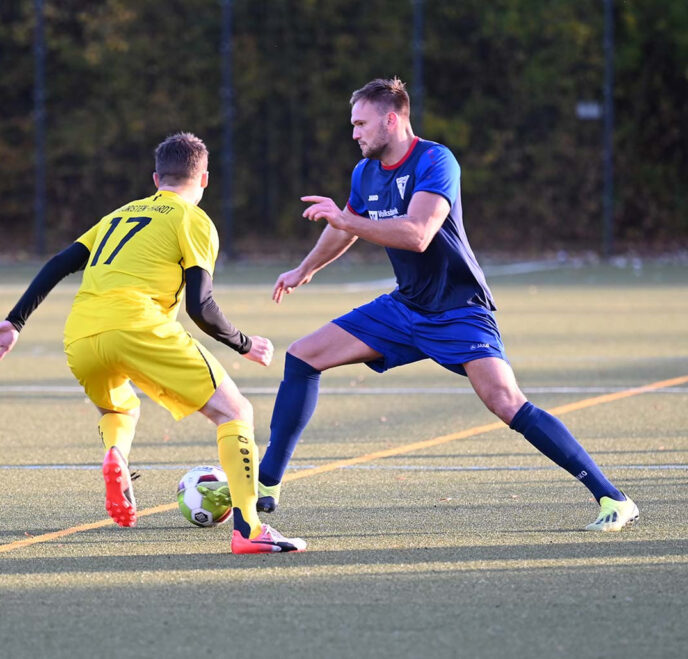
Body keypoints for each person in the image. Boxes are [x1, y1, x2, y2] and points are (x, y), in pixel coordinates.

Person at [255, 78, 638, 532]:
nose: (354, 133)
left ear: (391, 119)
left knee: (505, 401)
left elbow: (418, 235)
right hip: (405, 308)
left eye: (361, 123)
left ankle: (613, 499)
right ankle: (264, 489)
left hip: (458, 308)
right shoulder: (365, 172)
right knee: (302, 355)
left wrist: (346, 218)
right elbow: (345, 227)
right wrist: (306, 269)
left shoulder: (435, 160)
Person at [0, 132, 306, 554]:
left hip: (82, 333)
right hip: (138, 325)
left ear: (155, 178)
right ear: (204, 179)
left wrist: (15, 322)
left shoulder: (118, 214)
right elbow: (201, 306)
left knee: (118, 406)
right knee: (235, 411)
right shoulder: (192, 219)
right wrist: (244, 343)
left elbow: (59, 262)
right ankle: (250, 530)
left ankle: (117, 456)